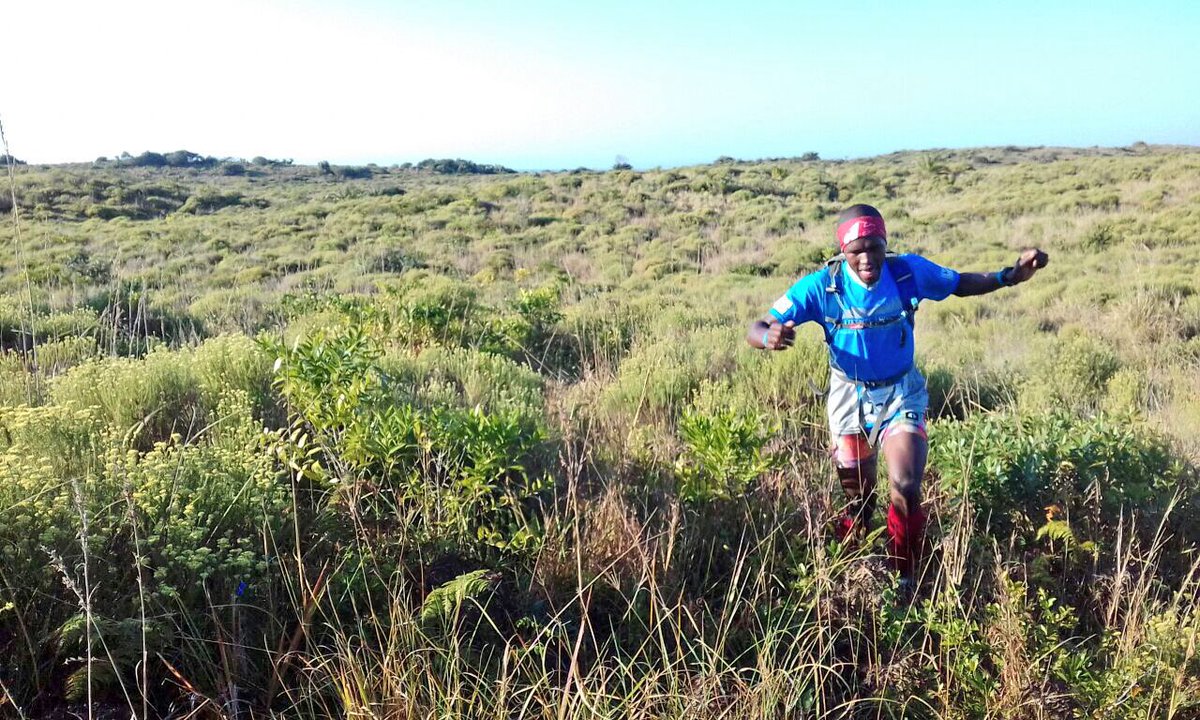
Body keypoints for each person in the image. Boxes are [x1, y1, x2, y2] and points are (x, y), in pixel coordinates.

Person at [747, 203, 1048, 585]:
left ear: (885, 244)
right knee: (859, 501)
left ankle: (904, 578)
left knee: (905, 486)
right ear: (843, 251)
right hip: (848, 400)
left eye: (875, 247)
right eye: (857, 251)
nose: (867, 258)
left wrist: (1010, 276)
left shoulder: (907, 272)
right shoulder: (821, 287)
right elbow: (757, 326)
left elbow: (959, 283)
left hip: (901, 395)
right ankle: (849, 570)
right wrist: (768, 337)